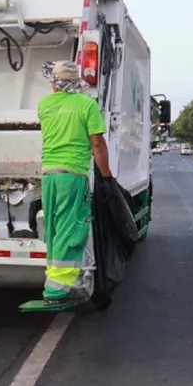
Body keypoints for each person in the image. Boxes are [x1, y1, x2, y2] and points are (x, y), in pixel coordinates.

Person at [36, 60, 113, 306]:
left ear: (55, 84)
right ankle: (58, 289)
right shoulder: (86, 105)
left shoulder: (44, 105)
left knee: (55, 229)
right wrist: (107, 176)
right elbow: (97, 145)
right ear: (76, 82)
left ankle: (54, 280)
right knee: (72, 229)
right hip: (73, 176)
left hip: (49, 175)